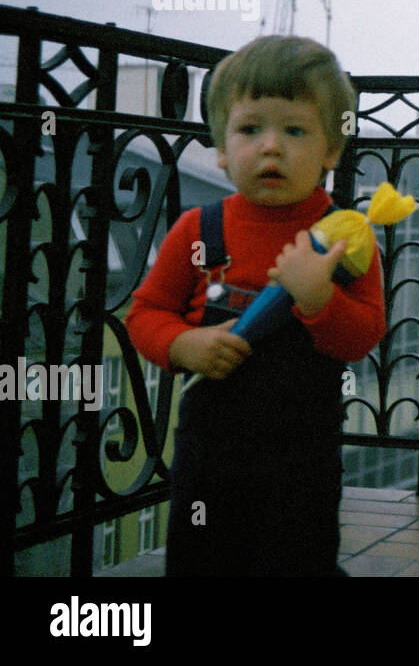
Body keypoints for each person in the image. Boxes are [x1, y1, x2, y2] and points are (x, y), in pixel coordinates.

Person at [127, 35, 385, 576]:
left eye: (294, 131)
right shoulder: (198, 230)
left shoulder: (347, 237)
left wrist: (318, 298)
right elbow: (145, 315)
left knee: (299, 558)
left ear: (330, 150)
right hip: (210, 456)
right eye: (249, 130)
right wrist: (181, 343)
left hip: (302, 458)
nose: (271, 147)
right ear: (220, 148)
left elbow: (363, 333)